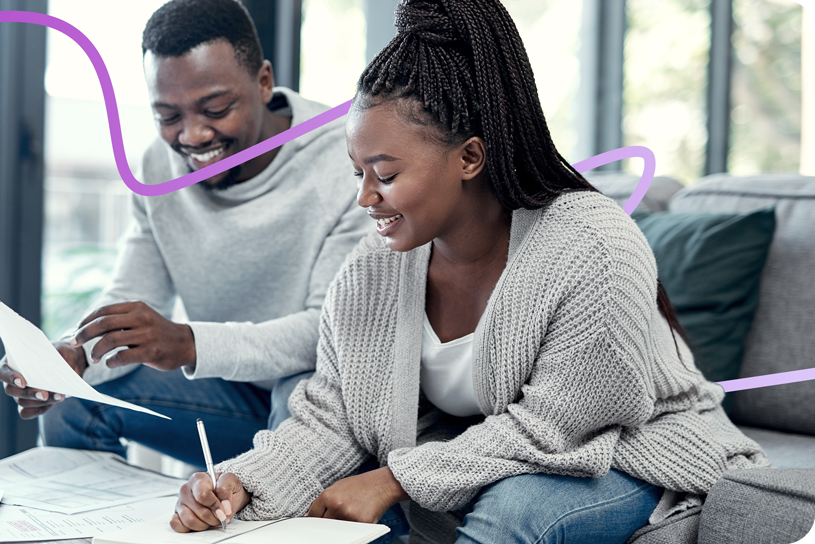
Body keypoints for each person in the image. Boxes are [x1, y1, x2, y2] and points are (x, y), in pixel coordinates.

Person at [170, 0, 771, 542]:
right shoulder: (371, 269)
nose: (365, 198)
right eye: (357, 173)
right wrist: (243, 481)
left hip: (629, 451)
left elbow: (554, 430)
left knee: (514, 511)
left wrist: (393, 480)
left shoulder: (593, 245)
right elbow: (334, 415)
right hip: (475, 451)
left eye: (385, 173)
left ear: (470, 157)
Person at [0, 0, 369, 468]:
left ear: (264, 81)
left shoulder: (347, 160)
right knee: (77, 397)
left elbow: (326, 332)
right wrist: (74, 353)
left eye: (215, 108)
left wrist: (190, 344)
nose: (191, 136)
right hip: (230, 399)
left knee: (301, 391)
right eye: (168, 117)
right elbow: (132, 292)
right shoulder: (158, 166)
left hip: (320, 407)